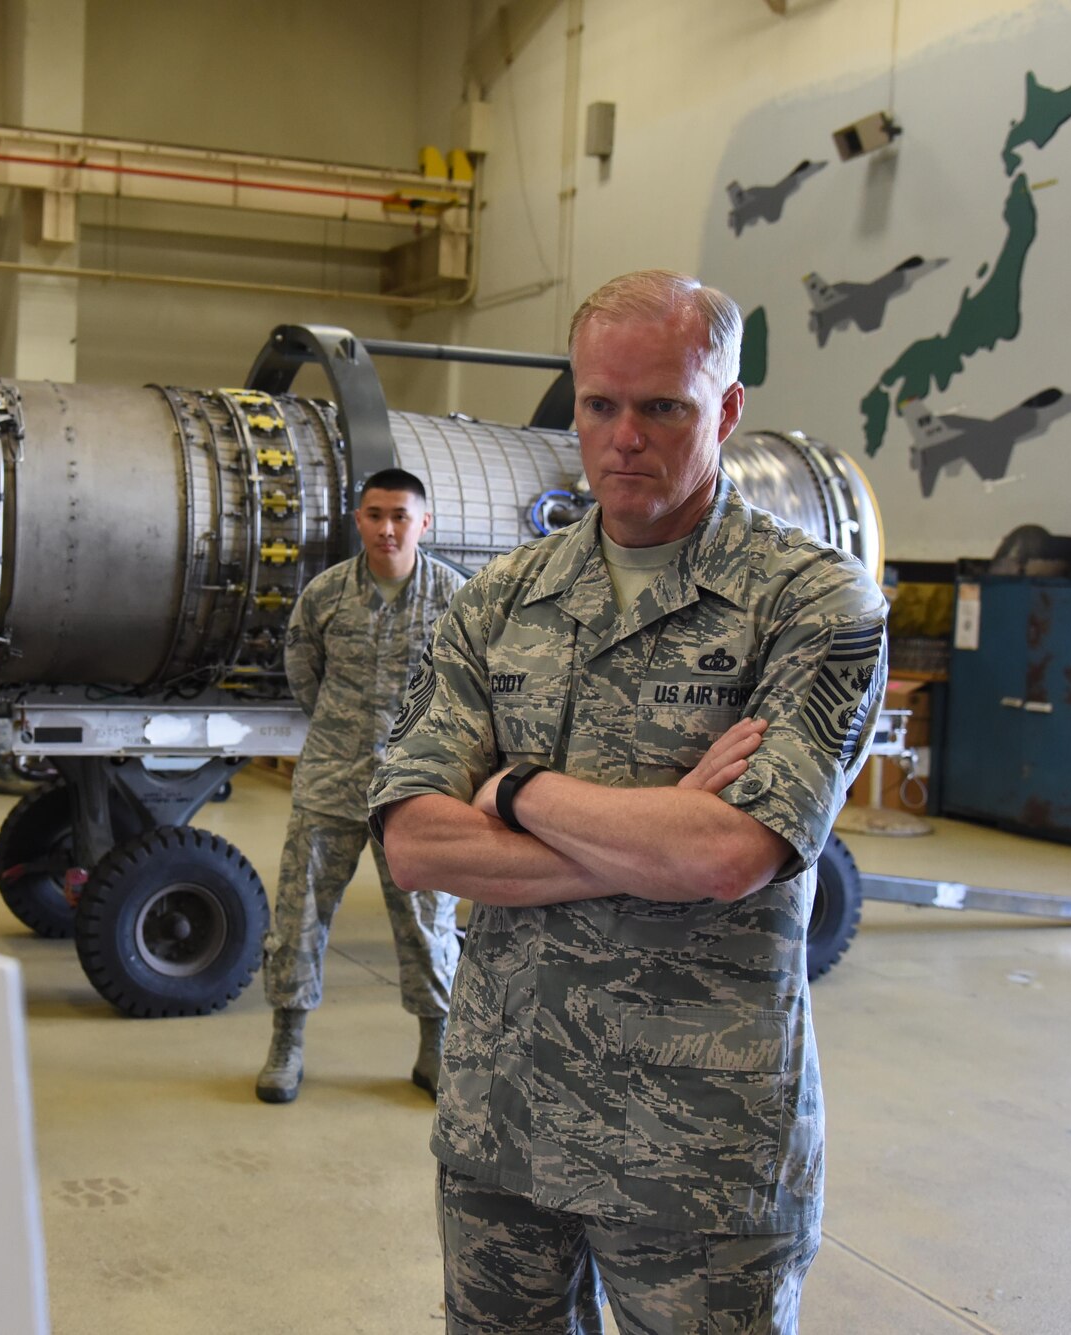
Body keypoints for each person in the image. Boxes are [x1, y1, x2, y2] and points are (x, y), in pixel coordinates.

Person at [370, 270, 888, 1334]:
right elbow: (416, 843)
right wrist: (651, 828)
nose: (621, 438)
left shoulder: (812, 603)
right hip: (500, 1127)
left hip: (696, 1151)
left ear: (727, 410)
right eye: (597, 404)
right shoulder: (497, 600)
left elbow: (725, 857)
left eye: (662, 406)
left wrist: (511, 791)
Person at [255, 468, 463, 1104]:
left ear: (423, 522)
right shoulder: (325, 595)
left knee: (427, 921)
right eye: (375, 514)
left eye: (401, 515)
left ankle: (435, 1046)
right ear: (358, 520)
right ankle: (286, 1043)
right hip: (331, 780)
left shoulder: (455, 598)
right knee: (299, 916)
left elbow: (467, 689)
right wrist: (344, 732)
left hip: (419, 788)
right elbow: (303, 673)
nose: (387, 528)